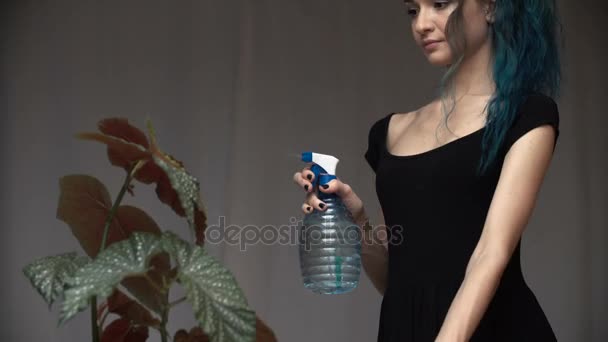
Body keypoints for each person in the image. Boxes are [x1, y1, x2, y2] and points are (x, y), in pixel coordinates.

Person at [293, 0, 562, 341]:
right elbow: (400, 283)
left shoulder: (528, 115)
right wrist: (356, 218)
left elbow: (491, 253)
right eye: (412, 10)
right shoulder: (390, 132)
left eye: (439, 3)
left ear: (492, 7)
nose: (421, 23)